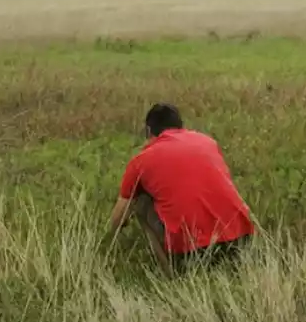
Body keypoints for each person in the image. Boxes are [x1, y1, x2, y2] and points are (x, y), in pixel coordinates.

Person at [108, 103, 255, 275]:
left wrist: (110, 241)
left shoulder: (141, 161)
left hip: (194, 249)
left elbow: (118, 217)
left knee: (141, 202)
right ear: (181, 126)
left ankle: (171, 275)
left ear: (149, 131)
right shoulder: (208, 142)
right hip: (241, 237)